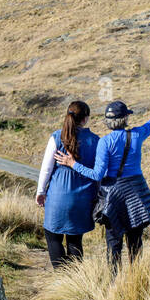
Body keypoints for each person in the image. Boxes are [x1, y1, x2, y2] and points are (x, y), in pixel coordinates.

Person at [54, 100, 150, 274]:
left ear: (107, 121)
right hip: (136, 192)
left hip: (114, 195)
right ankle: (136, 279)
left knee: (114, 242)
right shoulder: (137, 135)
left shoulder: (105, 142)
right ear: (125, 119)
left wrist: (72, 164)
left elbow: (97, 175)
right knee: (135, 240)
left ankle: (114, 281)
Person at [35, 101, 100, 267]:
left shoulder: (57, 137)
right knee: (75, 239)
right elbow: (99, 174)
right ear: (85, 119)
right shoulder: (95, 141)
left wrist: (41, 191)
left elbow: (46, 169)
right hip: (84, 198)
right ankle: (74, 280)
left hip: (58, 195)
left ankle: (61, 276)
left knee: (52, 235)